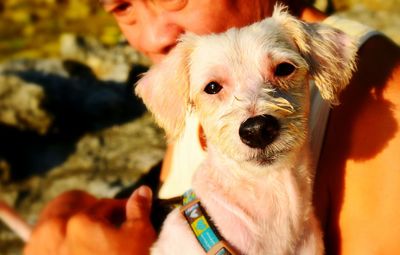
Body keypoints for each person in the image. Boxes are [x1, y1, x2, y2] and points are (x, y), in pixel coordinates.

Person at [24, 0, 400, 254]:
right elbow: (168, 189)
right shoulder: (200, 67)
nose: (154, 36)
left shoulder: (381, 101)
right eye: (122, 6)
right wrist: (66, 207)